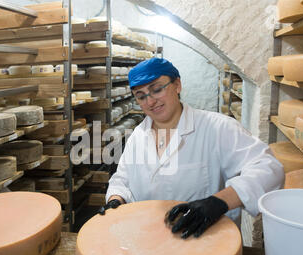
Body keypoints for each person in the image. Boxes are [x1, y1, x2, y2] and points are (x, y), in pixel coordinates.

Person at [98, 57, 284, 239]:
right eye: (141, 96)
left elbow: (268, 168)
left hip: (204, 242)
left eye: (156, 90)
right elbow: (123, 178)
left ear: (177, 85)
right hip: (149, 241)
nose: (150, 101)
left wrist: (220, 201)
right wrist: (117, 199)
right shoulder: (137, 136)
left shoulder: (218, 127)